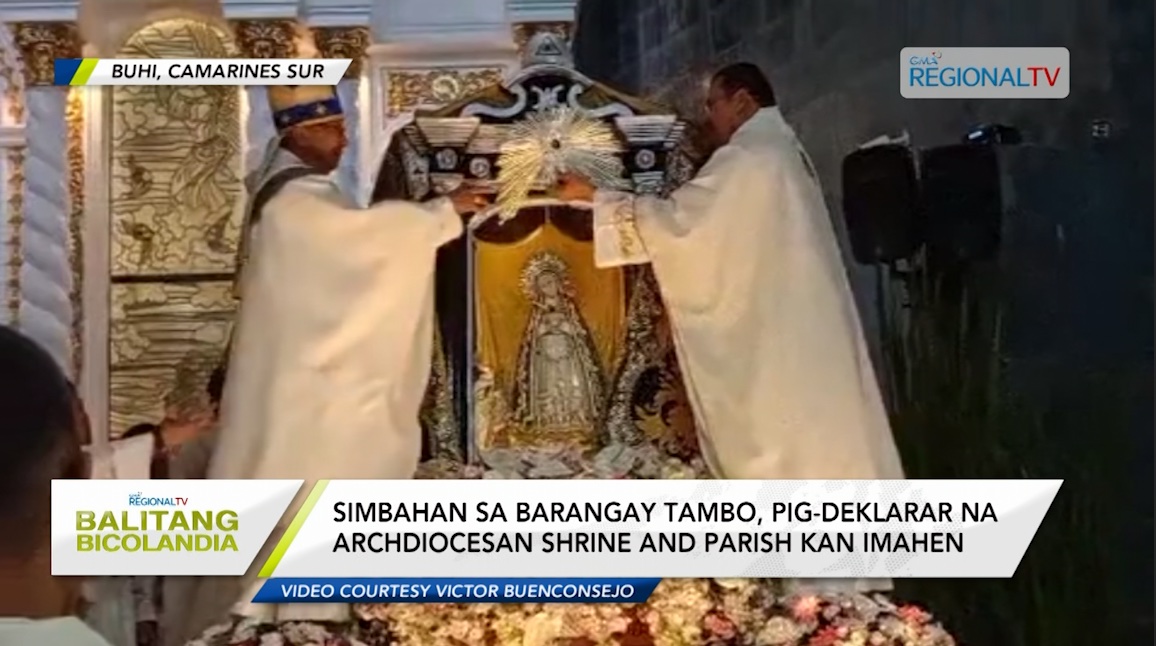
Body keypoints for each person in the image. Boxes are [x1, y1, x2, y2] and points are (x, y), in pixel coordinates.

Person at [557, 63, 905, 585]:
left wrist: (597, 198)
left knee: (784, 458)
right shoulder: (783, 152)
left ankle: (816, 597)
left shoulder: (752, 159)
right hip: (799, 341)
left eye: (714, 105)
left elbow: (685, 226)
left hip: (779, 352)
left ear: (742, 101)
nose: (710, 118)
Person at [166, 84, 487, 645]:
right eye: (332, 129)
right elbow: (360, 246)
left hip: (300, 388)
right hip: (305, 397)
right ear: (298, 131)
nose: (343, 140)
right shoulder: (294, 203)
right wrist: (441, 213)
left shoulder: (296, 195)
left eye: (342, 127)